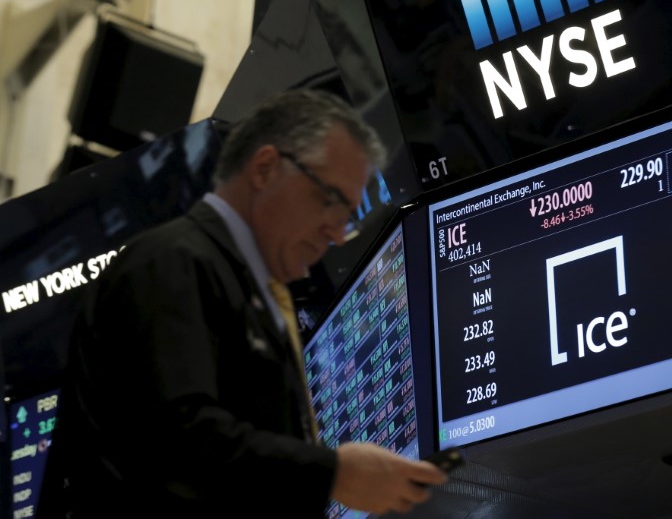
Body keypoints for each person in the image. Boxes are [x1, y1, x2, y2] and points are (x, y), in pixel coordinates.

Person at [40, 89, 448, 518]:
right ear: (266, 168)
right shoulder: (173, 262)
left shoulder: (250, 292)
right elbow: (177, 442)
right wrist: (332, 473)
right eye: (330, 200)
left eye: (347, 218)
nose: (334, 233)